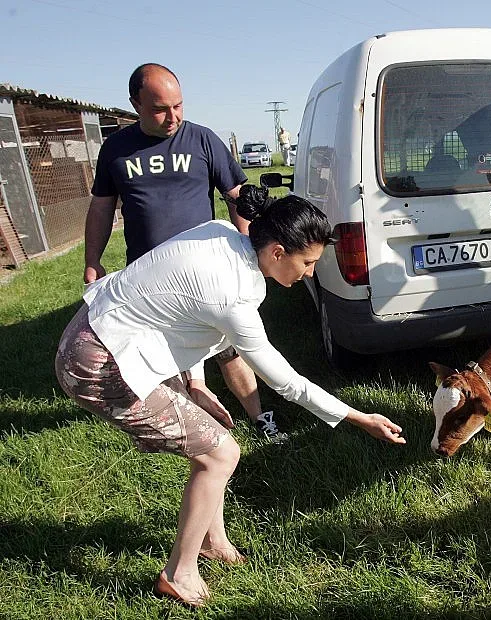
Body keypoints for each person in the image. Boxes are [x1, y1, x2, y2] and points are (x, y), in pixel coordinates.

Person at [56, 186, 406, 607]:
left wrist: (196, 384)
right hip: (98, 363)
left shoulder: (222, 233)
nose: (311, 274)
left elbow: (180, 312)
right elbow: (287, 382)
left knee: (213, 437)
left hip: (101, 333)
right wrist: (358, 416)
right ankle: (179, 573)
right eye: (308, 263)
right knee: (221, 454)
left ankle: (213, 541)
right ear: (277, 252)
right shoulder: (233, 295)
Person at [84, 62, 285, 441]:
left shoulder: (202, 140)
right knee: (162, 356)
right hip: (150, 282)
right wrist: (92, 259)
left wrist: (250, 252)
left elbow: (237, 196)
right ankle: (191, 432)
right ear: (135, 104)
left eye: (178, 106)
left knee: (230, 350)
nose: (173, 116)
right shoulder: (116, 148)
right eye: (160, 109)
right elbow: (101, 207)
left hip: (207, 275)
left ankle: (261, 418)